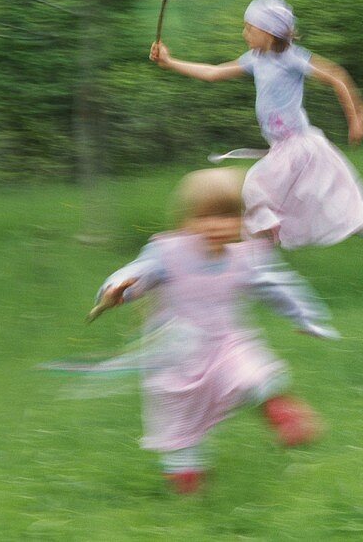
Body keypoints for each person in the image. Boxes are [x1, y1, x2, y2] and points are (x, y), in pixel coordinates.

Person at [87, 167, 339, 494]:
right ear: (185, 221)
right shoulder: (168, 253)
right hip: (178, 358)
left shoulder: (246, 256)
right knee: (180, 428)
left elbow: (278, 287)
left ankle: (285, 417)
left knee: (256, 374)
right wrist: (117, 289)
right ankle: (189, 489)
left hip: (227, 345)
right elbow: (138, 274)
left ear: (241, 220)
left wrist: (307, 317)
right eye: (202, 217)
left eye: (225, 216)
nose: (213, 225)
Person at [149, 0, 363, 260]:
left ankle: (254, 254)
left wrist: (356, 118)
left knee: (255, 189)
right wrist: (170, 62)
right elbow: (214, 73)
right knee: (318, 205)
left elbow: (336, 76)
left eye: (249, 28)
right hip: (282, 147)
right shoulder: (255, 58)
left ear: (269, 33)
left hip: (299, 146)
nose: (244, 33)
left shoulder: (292, 58)